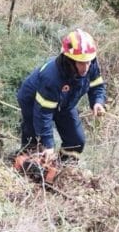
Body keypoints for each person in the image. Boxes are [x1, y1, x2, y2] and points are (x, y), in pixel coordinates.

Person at [16, 29, 107, 163]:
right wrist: (48, 145)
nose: (86, 67)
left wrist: (97, 102)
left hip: (65, 104)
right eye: (81, 62)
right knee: (36, 144)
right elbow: (43, 113)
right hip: (33, 102)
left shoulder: (90, 64)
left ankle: (63, 167)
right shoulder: (51, 77)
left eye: (88, 61)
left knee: (76, 141)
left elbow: (97, 86)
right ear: (69, 60)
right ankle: (26, 169)